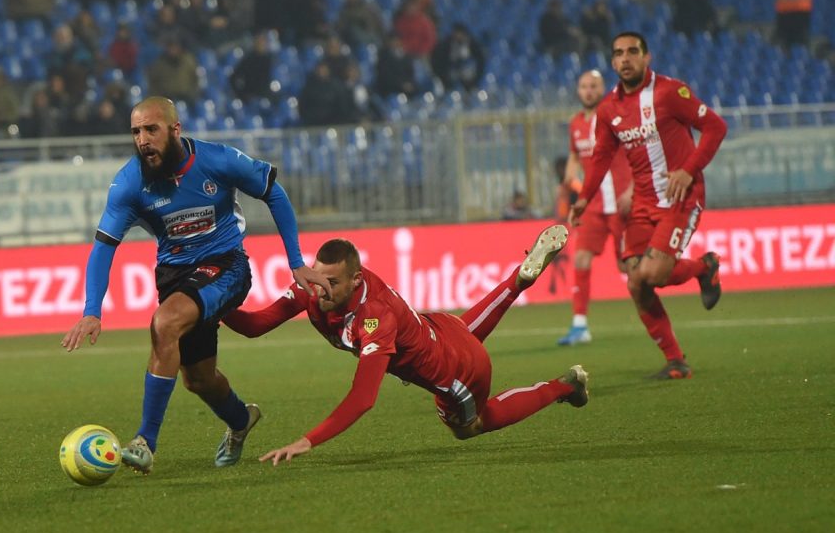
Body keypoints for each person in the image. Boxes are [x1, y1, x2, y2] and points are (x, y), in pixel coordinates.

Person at [61, 96, 330, 475]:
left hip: (227, 265)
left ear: (175, 130)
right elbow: (104, 246)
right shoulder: (129, 183)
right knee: (199, 379)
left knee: (164, 323)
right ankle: (241, 420)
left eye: (151, 129)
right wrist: (91, 311)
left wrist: (295, 261)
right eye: (136, 131)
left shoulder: (217, 160)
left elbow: (275, 193)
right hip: (174, 276)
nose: (142, 140)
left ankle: (144, 442)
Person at [224, 226, 588, 465]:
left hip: (460, 376)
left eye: (332, 282)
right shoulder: (317, 288)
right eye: (317, 277)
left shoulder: (374, 318)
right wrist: (212, 306)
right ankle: (518, 280)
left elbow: (363, 398)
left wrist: (307, 441)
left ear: (356, 280)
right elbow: (257, 325)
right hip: (444, 328)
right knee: (458, 333)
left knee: (469, 427)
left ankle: (563, 385)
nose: (320, 289)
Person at [570, 32, 727, 379]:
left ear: (646, 57)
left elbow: (715, 127)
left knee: (653, 273)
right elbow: (600, 157)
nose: (625, 59)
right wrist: (583, 199)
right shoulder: (609, 109)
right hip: (642, 203)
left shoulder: (671, 93)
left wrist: (688, 170)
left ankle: (704, 267)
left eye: (632, 52)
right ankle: (676, 361)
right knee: (636, 284)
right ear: (612, 62)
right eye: (618, 54)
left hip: (679, 198)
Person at [557, 70, 632, 346]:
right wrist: (570, 179)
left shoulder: (615, 117)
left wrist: (633, 188)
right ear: (578, 90)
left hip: (622, 203)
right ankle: (580, 326)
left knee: (629, 266)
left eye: (593, 86)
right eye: (584, 86)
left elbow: (636, 150)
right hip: (593, 204)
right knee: (581, 259)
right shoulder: (575, 123)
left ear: (603, 89)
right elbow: (575, 154)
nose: (588, 91)